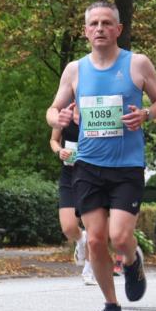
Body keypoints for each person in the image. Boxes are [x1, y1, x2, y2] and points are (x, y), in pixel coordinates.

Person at [47, 1, 156, 311]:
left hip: (126, 166)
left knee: (119, 236)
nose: (100, 28)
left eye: (106, 23)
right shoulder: (75, 70)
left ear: (118, 29)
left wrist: (145, 114)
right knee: (95, 239)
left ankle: (132, 260)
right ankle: (111, 306)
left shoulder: (138, 64)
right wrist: (56, 116)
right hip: (87, 165)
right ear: (86, 31)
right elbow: (53, 110)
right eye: (94, 24)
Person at [50, 118, 95, 285]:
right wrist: (59, 151)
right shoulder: (64, 114)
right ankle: (80, 239)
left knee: (93, 228)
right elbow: (53, 140)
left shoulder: (93, 113)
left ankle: (89, 270)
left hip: (92, 176)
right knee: (68, 228)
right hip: (69, 176)